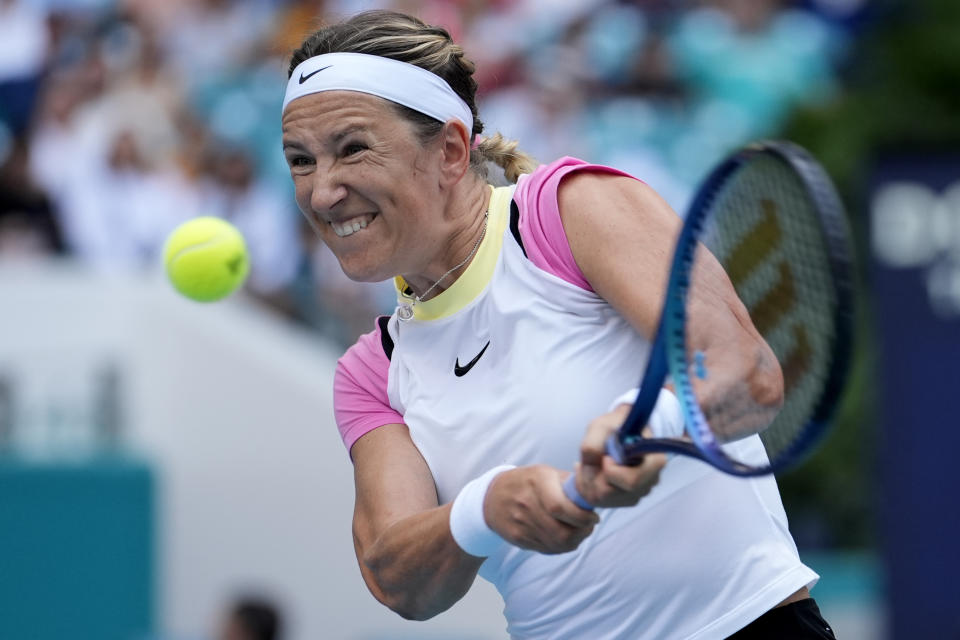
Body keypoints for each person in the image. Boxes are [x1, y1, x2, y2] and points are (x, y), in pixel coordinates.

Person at [280, 10, 836, 640]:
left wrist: (646, 422)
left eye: (353, 149)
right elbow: (396, 577)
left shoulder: (567, 212)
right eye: (300, 160)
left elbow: (748, 371)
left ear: (452, 152)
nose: (322, 192)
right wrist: (483, 510)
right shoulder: (369, 373)